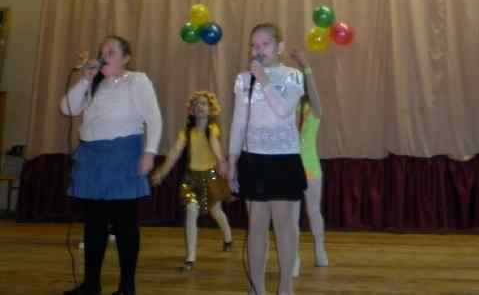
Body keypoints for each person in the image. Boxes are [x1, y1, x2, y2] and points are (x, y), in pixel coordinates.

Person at [60, 35, 162, 295]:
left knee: (125, 224)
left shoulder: (137, 80)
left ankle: (127, 287)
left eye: (111, 52)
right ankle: (91, 285)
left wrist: (149, 153)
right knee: (93, 225)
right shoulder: (94, 83)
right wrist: (85, 79)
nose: (104, 56)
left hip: (123, 155)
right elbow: (68, 108)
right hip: (92, 157)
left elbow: (154, 118)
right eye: (102, 51)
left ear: (126, 58)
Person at [227, 23, 306, 295]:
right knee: (256, 226)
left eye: (265, 44)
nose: (258, 50)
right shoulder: (242, 79)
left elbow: (283, 110)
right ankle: (257, 288)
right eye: (254, 45)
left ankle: (285, 286)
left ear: (279, 47)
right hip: (254, 159)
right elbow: (238, 122)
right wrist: (232, 159)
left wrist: (263, 80)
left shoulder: (293, 76)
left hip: (283, 158)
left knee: (284, 226)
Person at [151, 90, 233, 271]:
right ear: (192, 110)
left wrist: (221, 160)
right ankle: (190, 258)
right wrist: (162, 172)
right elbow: (174, 153)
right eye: (196, 104)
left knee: (216, 210)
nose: (200, 107)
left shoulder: (213, 129)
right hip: (191, 177)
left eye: (203, 104)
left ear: (210, 109)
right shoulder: (186, 133)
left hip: (211, 175)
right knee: (191, 211)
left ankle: (228, 237)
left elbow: (215, 144)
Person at [288, 49, 329, 277]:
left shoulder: (314, 109)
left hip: (311, 168)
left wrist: (306, 67)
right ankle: (294, 257)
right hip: (292, 169)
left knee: (313, 211)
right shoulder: (288, 110)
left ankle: (319, 247)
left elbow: (313, 93)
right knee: (292, 217)